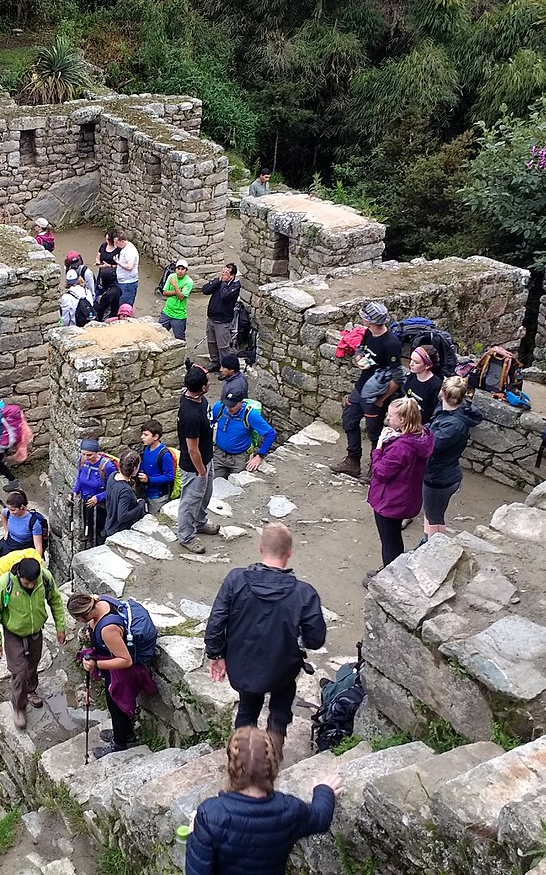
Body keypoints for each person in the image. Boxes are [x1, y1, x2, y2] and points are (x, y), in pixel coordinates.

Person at [204, 523, 326, 755]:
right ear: (289, 553)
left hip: (243, 664)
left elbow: (217, 620)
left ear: (261, 549)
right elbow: (315, 639)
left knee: (248, 707)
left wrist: (216, 654)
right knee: (283, 697)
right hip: (281, 667)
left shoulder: (236, 580)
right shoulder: (304, 593)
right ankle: (275, 744)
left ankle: (241, 758)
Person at [185, 726, 340, 875]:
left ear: (231, 767)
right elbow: (321, 818)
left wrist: (194, 834)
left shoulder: (210, 814)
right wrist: (324, 790)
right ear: (272, 767)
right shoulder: (291, 809)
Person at [68, 592, 158, 758]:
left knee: (116, 703)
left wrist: (96, 665)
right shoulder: (100, 600)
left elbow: (126, 660)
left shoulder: (108, 629)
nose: (79, 622)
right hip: (111, 661)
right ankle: (127, 734)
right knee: (114, 702)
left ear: (85, 614)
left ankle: (120, 744)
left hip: (122, 669)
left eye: (78, 618)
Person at [0, 556, 67, 729]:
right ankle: (19, 707)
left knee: (32, 665)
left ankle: (31, 690)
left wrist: (61, 626)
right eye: (26, 582)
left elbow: (55, 601)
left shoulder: (45, 578)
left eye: (33, 582)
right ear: (18, 574)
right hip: (13, 633)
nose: (30, 585)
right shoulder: (3, 585)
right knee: (19, 671)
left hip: (36, 632)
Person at [331, 301, 404, 479]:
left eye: (364, 317)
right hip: (361, 388)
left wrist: (381, 399)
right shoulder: (368, 333)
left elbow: (398, 377)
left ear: (370, 321)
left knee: (374, 433)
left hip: (375, 395)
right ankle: (352, 462)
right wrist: (359, 358)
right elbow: (361, 349)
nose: (361, 319)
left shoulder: (391, 343)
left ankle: (376, 468)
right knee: (349, 420)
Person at [368, 396, 435, 578]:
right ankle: (393, 569)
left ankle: (389, 578)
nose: (387, 419)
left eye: (391, 417)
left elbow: (381, 472)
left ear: (403, 419)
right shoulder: (423, 435)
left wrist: (380, 446)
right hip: (405, 496)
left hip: (390, 500)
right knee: (395, 537)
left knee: (389, 542)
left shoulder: (402, 447)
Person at [422, 377, 481, 544]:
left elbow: (431, 446)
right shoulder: (449, 412)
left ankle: (432, 547)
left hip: (439, 478)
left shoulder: (453, 425)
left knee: (434, 517)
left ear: (442, 393)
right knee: (432, 512)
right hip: (442, 473)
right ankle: (427, 541)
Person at [177, 367, 217, 554]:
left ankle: (200, 523)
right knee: (190, 501)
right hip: (195, 466)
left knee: (205, 495)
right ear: (202, 387)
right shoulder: (190, 415)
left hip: (206, 458)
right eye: (207, 382)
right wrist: (201, 471)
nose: (210, 384)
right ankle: (186, 536)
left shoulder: (195, 397)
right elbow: (192, 449)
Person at [210, 391, 276, 478]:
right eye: (227, 404)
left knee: (237, 487)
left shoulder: (250, 415)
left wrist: (259, 456)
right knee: (213, 484)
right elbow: (209, 424)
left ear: (241, 402)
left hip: (239, 458)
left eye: (232, 406)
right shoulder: (219, 407)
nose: (229, 408)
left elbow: (270, 433)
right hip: (219, 454)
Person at [73, 437, 118, 548]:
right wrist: (75, 491)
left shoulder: (107, 466)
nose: (85, 457)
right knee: (88, 525)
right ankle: (89, 544)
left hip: (101, 506)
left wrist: (98, 498)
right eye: (83, 454)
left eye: (89, 455)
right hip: (87, 502)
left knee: (99, 529)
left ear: (96, 453)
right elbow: (80, 477)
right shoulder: (82, 461)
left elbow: (113, 488)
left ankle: (99, 547)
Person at [201, 263, 243, 372]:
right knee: (211, 342)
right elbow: (205, 290)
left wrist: (223, 282)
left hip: (223, 321)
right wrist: (217, 281)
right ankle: (215, 362)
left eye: (226, 272)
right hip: (211, 318)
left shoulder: (235, 286)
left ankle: (226, 369)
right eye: (223, 271)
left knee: (223, 346)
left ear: (232, 276)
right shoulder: (219, 282)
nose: (223, 274)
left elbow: (225, 295)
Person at [0, 489, 47, 561]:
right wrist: (6, 530)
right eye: (9, 509)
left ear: (21, 507)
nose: (11, 513)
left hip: (23, 547)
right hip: (10, 541)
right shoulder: (8, 512)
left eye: (13, 510)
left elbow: (38, 546)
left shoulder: (33, 522)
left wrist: (37, 562)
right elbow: (3, 516)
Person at [103, 451, 148, 537]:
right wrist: (140, 505)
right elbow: (123, 516)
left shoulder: (113, 476)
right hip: (120, 531)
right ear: (134, 468)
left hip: (110, 524)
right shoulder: (125, 490)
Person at [137, 420, 176, 514]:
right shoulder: (146, 449)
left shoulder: (164, 455)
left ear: (156, 437)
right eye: (142, 434)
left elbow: (170, 477)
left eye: (146, 435)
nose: (142, 437)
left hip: (158, 498)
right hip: (145, 493)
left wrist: (149, 479)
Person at [401, 345, 443, 423]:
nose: (411, 364)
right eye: (411, 360)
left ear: (427, 365)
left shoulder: (435, 385)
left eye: (416, 362)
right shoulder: (412, 375)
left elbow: (435, 411)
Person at [159, 259, 193, 340]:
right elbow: (164, 292)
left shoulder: (189, 282)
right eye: (178, 269)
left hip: (179, 315)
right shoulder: (171, 276)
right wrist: (177, 291)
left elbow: (181, 297)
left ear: (186, 271)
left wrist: (174, 285)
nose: (180, 271)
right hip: (167, 311)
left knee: (179, 339)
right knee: (159, 334)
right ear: (175, 269)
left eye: (182, 269)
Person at [113, 232, 140, 310]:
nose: (115, 245)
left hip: (128, 283)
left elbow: (129, 266)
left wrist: (117, 262)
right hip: (124, 282)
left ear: (122, 241)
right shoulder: (125, 248)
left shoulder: (129, 251)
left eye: (116, 243)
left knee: (125, 306)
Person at [96, 230, 121, 294]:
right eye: (106, 239)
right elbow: (98, 257)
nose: (107, 241)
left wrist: (109, 266)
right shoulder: (103, 245)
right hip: (102, 274)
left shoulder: (119, 250)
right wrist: (98, 263)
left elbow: (121, 265)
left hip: (113, 276)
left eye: (109, 239)